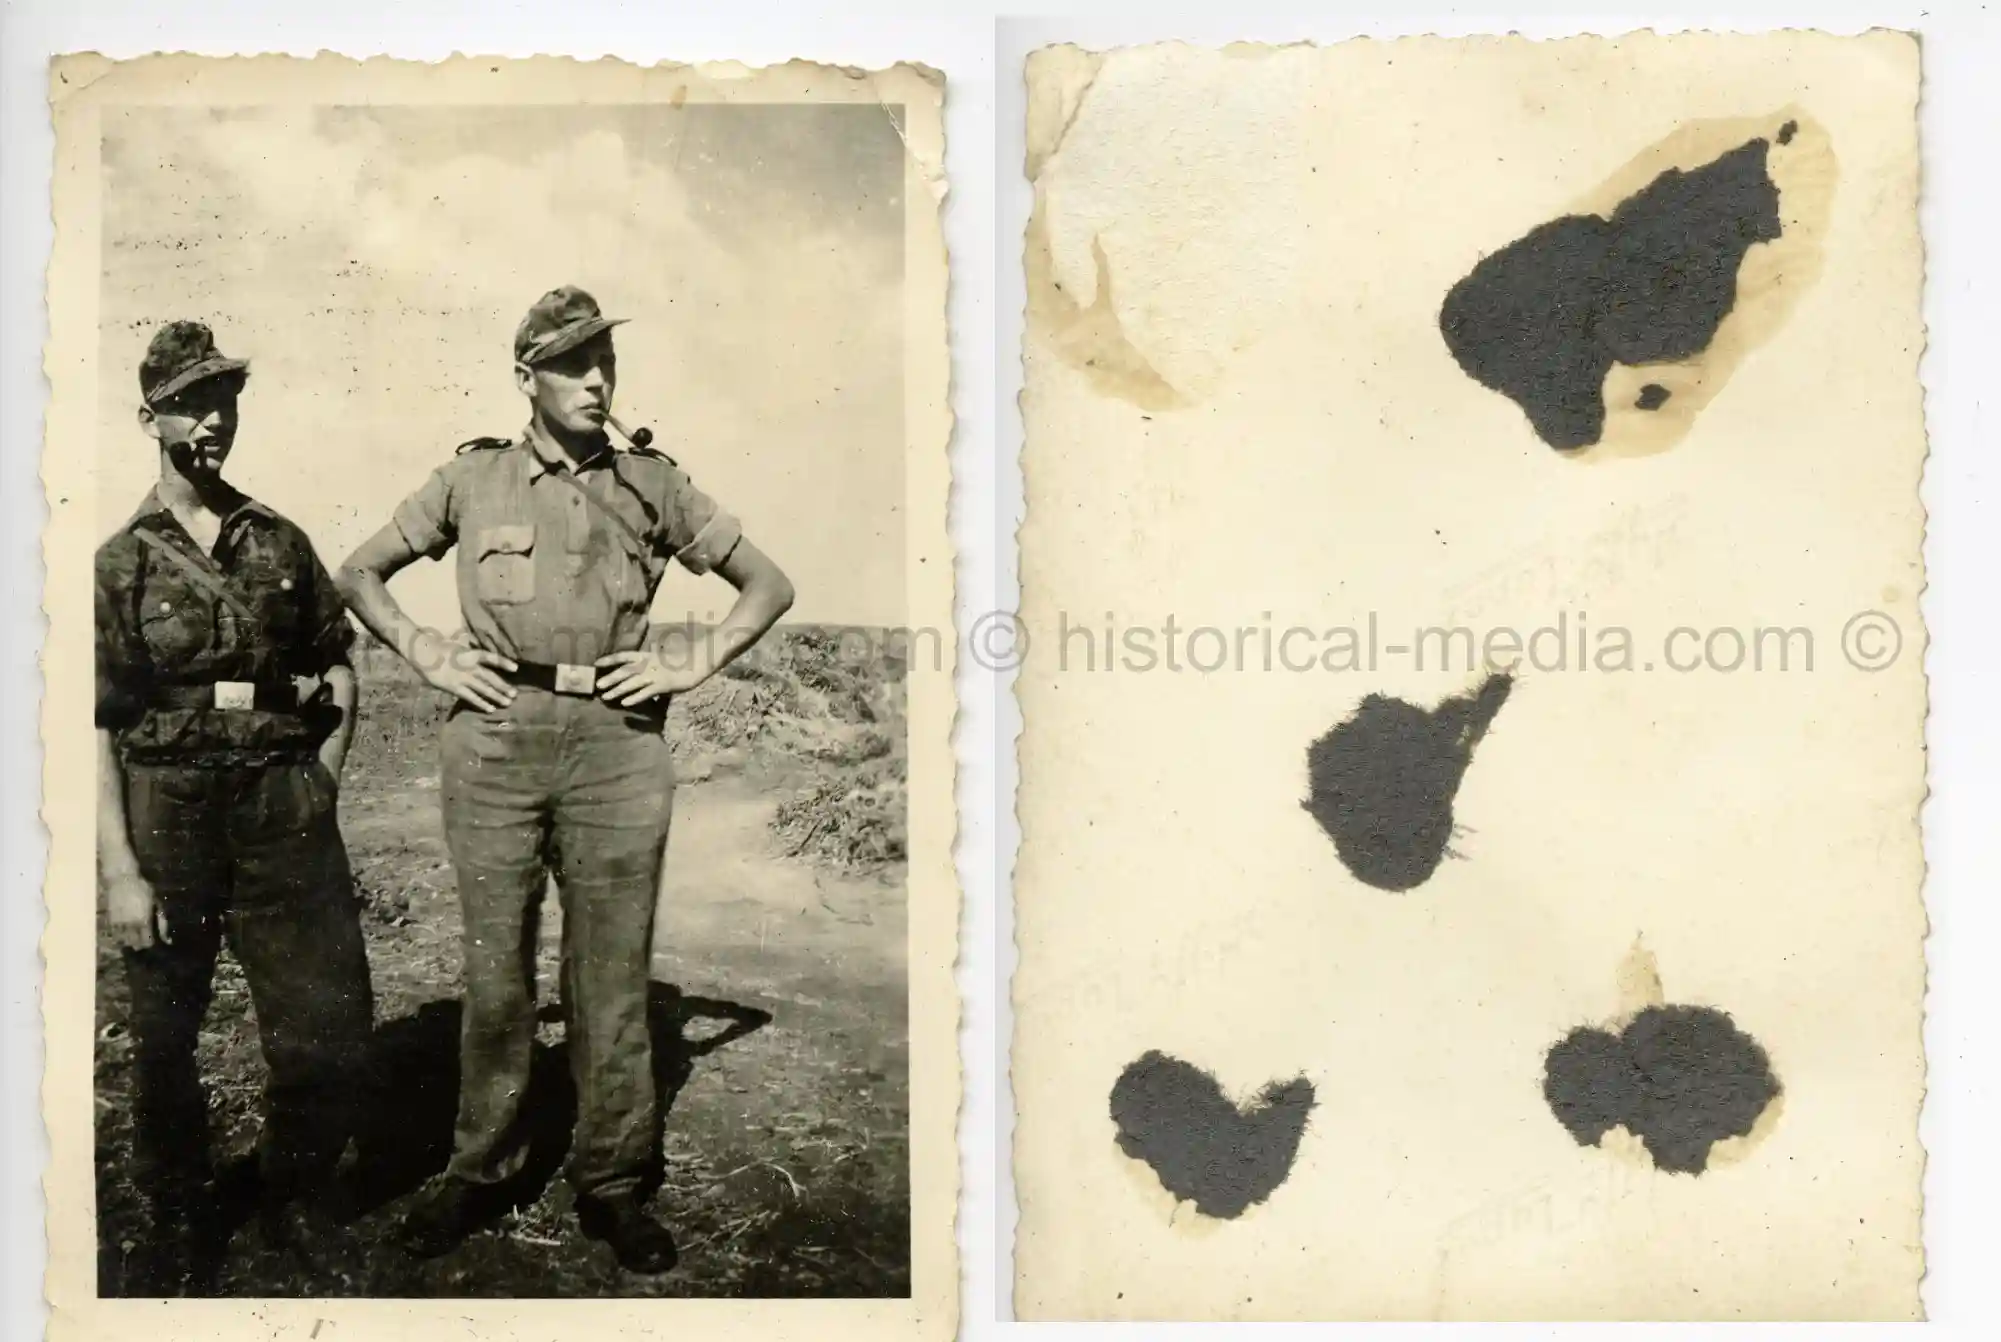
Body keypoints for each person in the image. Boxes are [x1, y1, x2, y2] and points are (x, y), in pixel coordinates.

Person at [336, 286, 795, 1273]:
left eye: (606, 362)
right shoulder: (473, 481)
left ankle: (614, 1182)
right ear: (524, 379)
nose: (597, 379)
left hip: (618, 748)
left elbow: (768, 584)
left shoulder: (652, 485)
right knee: (494, 974)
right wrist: (425, 651)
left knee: (612, 977)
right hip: (494, 744)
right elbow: (360, 571)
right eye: (573, 363)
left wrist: (688, 660)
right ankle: (481, 1168)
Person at [94, 322, 376, 1293]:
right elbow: (100, 719)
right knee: (166, 1026)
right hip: (165, 801)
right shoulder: (119, 562)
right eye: (191, 402)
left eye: (227, 400)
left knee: (324, 1011)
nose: (214, 420)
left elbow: (336, 660)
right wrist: (119, 866)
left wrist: (325, 778)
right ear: (150, 417)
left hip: (279, 798)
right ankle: (176, 1215)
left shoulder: (281, 539)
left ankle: (294, 1199)